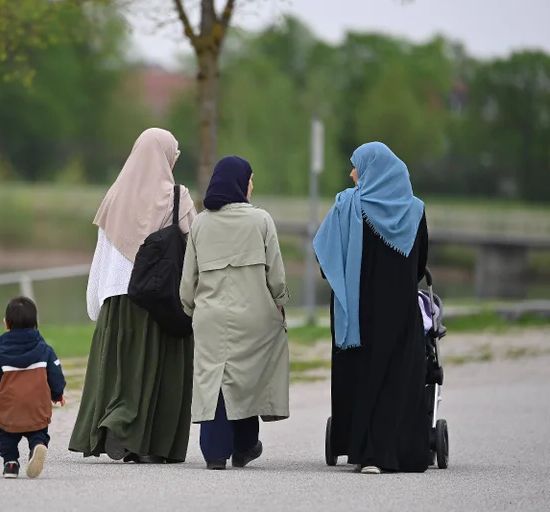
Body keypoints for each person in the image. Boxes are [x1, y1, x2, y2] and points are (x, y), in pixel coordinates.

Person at [68, 127, 197, 464]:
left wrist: (96, 301)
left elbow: (101, 255)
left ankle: (110, 426)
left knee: (117, 370)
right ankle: (148, 441)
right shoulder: (177, 198)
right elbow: (195, 250)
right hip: (158, 300)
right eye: (174, 155)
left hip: (116, 300)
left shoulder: (115, 196)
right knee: (156, 370)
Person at [314, 141, 429, 474]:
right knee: (397, 378)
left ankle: (361, 450)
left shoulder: (347, 206)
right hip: (401, 315)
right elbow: (420, 264)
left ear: (371, 171)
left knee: (360, 376)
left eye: (357, 167)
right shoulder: (416, 210)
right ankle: (390, 453)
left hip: (357, 313)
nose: (352, 174)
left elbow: (326, 262)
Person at [180, 155, 290, 470]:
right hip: (254, 316)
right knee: (248, 377)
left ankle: (215, 452)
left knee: (213, 378)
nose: (251, 186)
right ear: (241, 183)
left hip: (211, 318)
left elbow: (188, 280)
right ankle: (244, 445)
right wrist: (280, 302)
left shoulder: (200, 223)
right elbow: (276, 275)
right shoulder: (261, 221)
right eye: (250, 180)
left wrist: (190, 308)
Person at [0, 296, 66, 479]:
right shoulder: (45, 349)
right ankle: (38, 445)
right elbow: (56, 374)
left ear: (6, 323)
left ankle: (10, 464)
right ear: (36, 323)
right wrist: (57, 394)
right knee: (38, 431)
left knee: (7, 436)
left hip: (10, 408)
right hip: (37, 406)